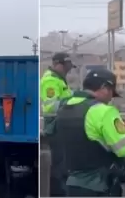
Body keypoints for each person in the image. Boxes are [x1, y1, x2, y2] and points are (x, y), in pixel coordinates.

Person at [54, 69, 125, 197]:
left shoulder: (64, 108)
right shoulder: (103, 111)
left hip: (71, 184)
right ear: (104, 87)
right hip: (98, 187)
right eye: (111, 93)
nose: (110, 99)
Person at [40, 52, 75, 196]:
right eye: (67, 66)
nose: (69, 69)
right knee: (59, 166)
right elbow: (51, 106)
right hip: (55, 126)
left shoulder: (59, 79)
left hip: (62, 126)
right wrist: (73, 103)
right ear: (58, 64)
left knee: (64, 164)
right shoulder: (50, 80)